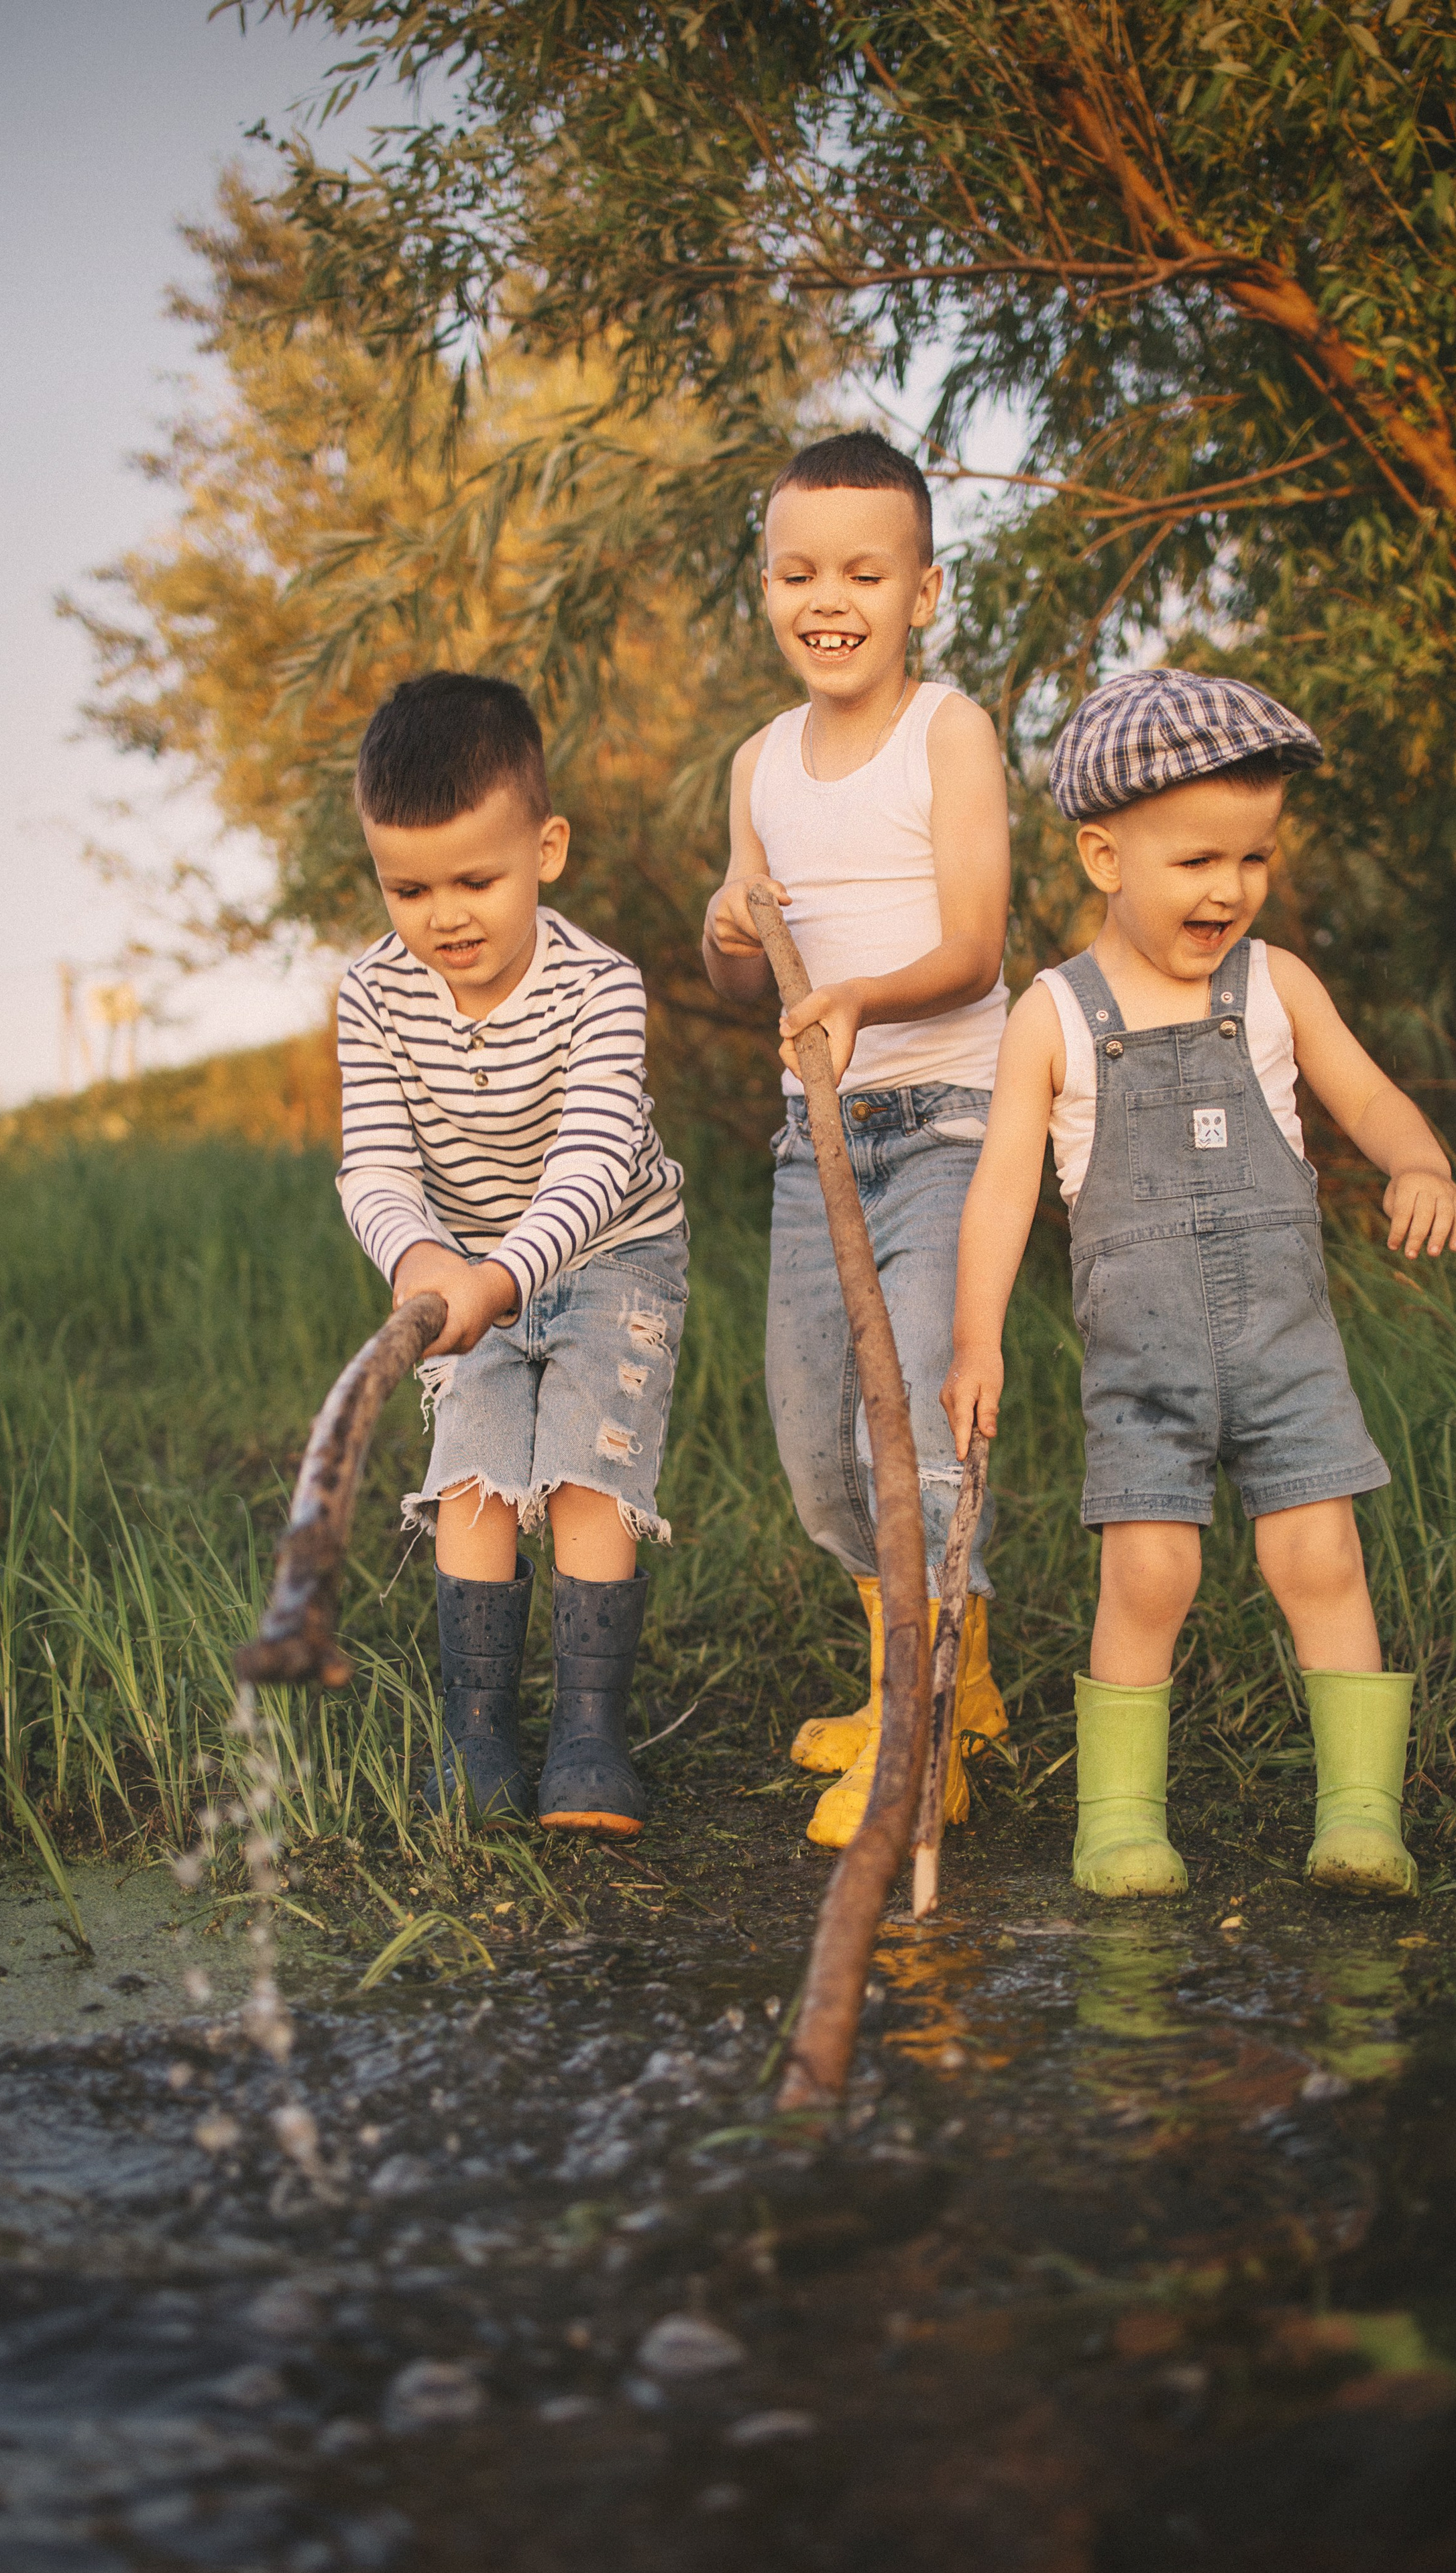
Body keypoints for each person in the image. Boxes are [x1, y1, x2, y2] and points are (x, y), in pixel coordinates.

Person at [942, 669, 1456, 1900]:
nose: (1229, 889)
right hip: (1145, 1368)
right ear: (1104, 856)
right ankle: (1119, 1823)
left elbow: (1368, 1091)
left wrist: (1420, 1161)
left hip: (1288, 1355)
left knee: (1321, 1561)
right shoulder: (1054, 1017)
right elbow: (1003, 1193)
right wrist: (977, 1341)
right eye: (1196, 861)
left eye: (1253, 858)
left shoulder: (1275, 988)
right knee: (1150, 1574)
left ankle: (1360, 1817)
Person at [702, 429, 1012, 1849]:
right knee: (818, 1443)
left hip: (949, 1126)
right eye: (798, 572)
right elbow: (739, 981)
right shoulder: (757, 764)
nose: (829, 599)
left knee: (922, 1436)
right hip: (812, 1141)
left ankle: (920, 1732)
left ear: (923, 592)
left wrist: (859, 999)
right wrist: (728, 933)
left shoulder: (947, 730)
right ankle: (945, 1669)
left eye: (865, 574)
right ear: (766, 585)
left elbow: (976, 947)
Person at [337, 671, 688, 1839]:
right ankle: (479, 1735)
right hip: (463, 1271)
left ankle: (588, 1735)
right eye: (409, 888)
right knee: (475, 1473)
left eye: (475, 881)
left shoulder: (601, 986)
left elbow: (591, 1166)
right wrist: (419, 1262)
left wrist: (500, 1280)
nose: (445, 917)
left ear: (547, 850)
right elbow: (374, 1166)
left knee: (588, 1467)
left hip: (614, 1251)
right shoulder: (372, 996)